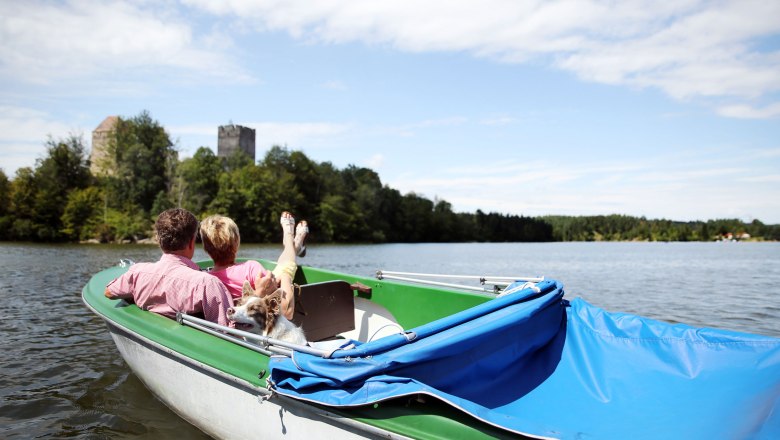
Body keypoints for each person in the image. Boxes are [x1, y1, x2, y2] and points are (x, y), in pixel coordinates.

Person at [104, 208, 235, 327]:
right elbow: (227, 331)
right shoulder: (207, 284)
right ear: (191, 242)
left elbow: (109, 292)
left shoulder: (137, 272)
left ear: (158, 240)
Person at [199, 212, 308, 321]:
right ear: (237, 243)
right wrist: (285, 276)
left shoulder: (207, 280)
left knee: (281, 266)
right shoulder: (251, 269)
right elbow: (286, 311)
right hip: (265, 318)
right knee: (286, 267)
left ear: (205, 249)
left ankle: (295, 246)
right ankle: (290, 240)